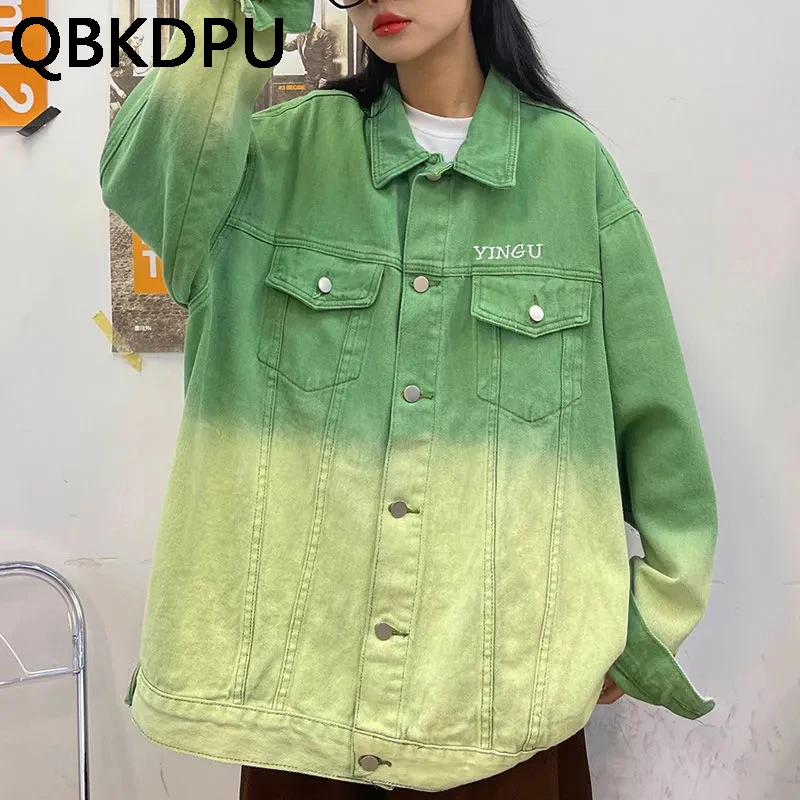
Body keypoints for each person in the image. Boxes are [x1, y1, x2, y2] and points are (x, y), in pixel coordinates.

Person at [99, 1, 719, 798]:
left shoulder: (571, 172)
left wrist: (653, 617)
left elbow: (655, 422)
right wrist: (244, 12)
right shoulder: (272, 163)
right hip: (299, 711)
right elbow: (143, 173)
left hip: (498, 714)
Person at [282, 19, 337, 91]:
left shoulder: (322, 35)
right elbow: (289, 47)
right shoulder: (301, 36)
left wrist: (324, 77)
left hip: (320, 77)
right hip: (309, 76)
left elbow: (328, 57)